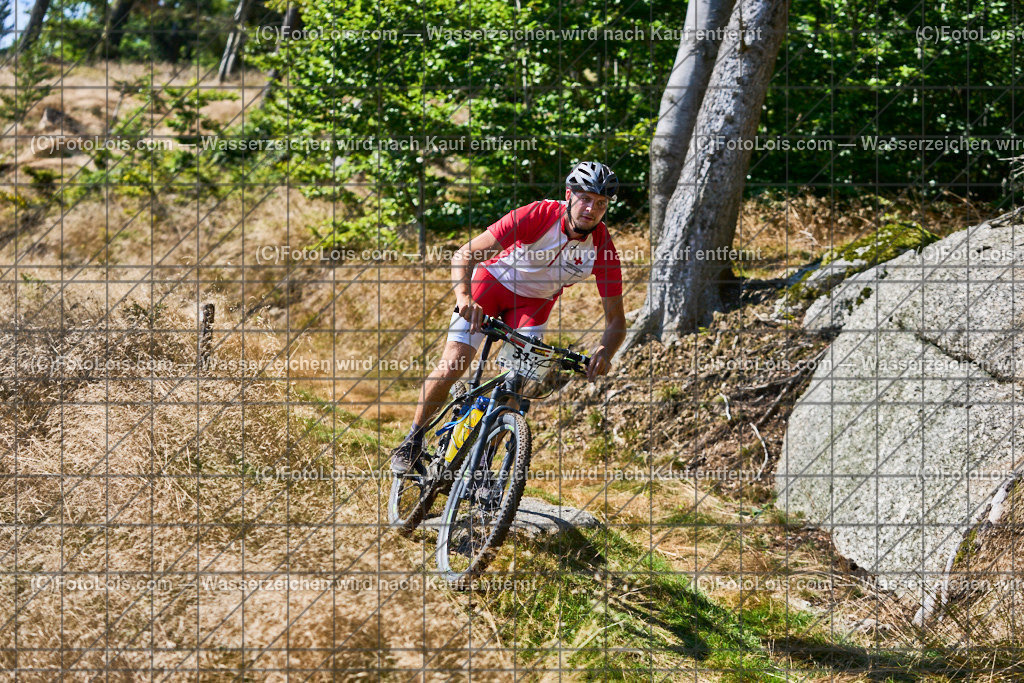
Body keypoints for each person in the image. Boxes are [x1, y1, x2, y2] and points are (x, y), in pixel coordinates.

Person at [390, 161, 627, 473]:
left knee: (517, 383)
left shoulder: (602, 247)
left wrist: (604, 352)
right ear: (569, 195)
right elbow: (465, 253)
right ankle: (412, 442)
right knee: (454, 363)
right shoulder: (538, 214)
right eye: (585, 198)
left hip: (534, 306)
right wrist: (464, 298)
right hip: (491, 286)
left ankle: (482, 465)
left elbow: (616, 321)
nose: (591, 209)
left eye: (601, 203)